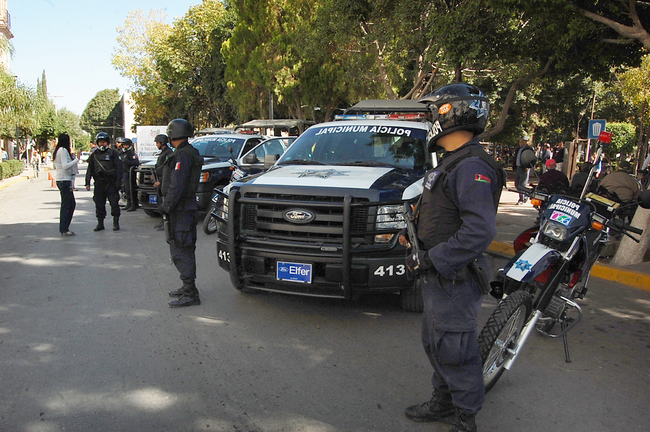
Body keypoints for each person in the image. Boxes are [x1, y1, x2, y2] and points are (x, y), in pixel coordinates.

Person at [401, 83, 504, 432]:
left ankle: (464, 417)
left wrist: (431, 259)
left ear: (453, 114)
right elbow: (443, 215)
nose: (431, 118)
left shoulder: (472, 166)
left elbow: (478, 231)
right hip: (440, 275)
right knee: (437, 343)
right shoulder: (452, 163)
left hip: (455, 276)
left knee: (456, 350)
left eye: (435, 111)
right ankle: (443, 402)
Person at [158, 119, 204, 308]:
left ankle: (190, 293)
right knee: (183, 249)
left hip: (181, 210)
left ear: (172, 135)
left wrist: (166, 206)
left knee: (181, 250)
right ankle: (187, 287)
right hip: (184, 209)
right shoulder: (187, 152)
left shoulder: (183, 155)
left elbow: (177, 185)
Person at [85, 132, 123, 231]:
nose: (102, 144)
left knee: (114, 203)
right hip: (99, 183)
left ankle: (116, 222)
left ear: (108, 142)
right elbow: (90, 169)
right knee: (99, 204)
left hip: (111, 183)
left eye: (104, 142)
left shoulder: (113, 153)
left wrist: (119, 182)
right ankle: (100, 223)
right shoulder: (95, 155)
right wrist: (87, 182)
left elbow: (119, 168)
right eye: (100, 142)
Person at [53, 133, 80, 236]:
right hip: (64, 180)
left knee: (71, 204)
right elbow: (65, 166)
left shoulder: (58, 150)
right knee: (67, 205)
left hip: (63, 179)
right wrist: (76, 160)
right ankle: (64, 228)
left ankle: (65, 227)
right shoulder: (63, 150)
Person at [152, 134, 173, 231]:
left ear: (162, 143)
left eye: (157, 143)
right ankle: (163, 221)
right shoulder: (163, 153)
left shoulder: (168, 154)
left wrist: (160, 181)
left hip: (164, 182)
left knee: (164, 203)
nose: (156, 145)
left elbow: (167, 170)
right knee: (160, 202)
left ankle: (167, 223)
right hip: (161, 180)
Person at [118, 138, 140, 211]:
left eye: (126, 145)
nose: (125, 147)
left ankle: (133, 204)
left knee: (131, 189)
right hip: (123, 173)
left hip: (130, 173)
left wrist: (127, 161)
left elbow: (136, 163)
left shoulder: (132, 153)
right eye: (124, 145)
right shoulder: (122, 153)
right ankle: (128, 203)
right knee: (126, 189)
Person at [514, 134, 534, 204]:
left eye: (523, 141)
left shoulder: (529, 149)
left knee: (522, 184)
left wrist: (528, 166)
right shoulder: (518, 148)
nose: (521, 143)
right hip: (518, 167)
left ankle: (522, 199)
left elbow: (532, 158)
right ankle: (525, 195)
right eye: (521, 141)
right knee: (517, 184)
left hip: (524, 168)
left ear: (526, 142)